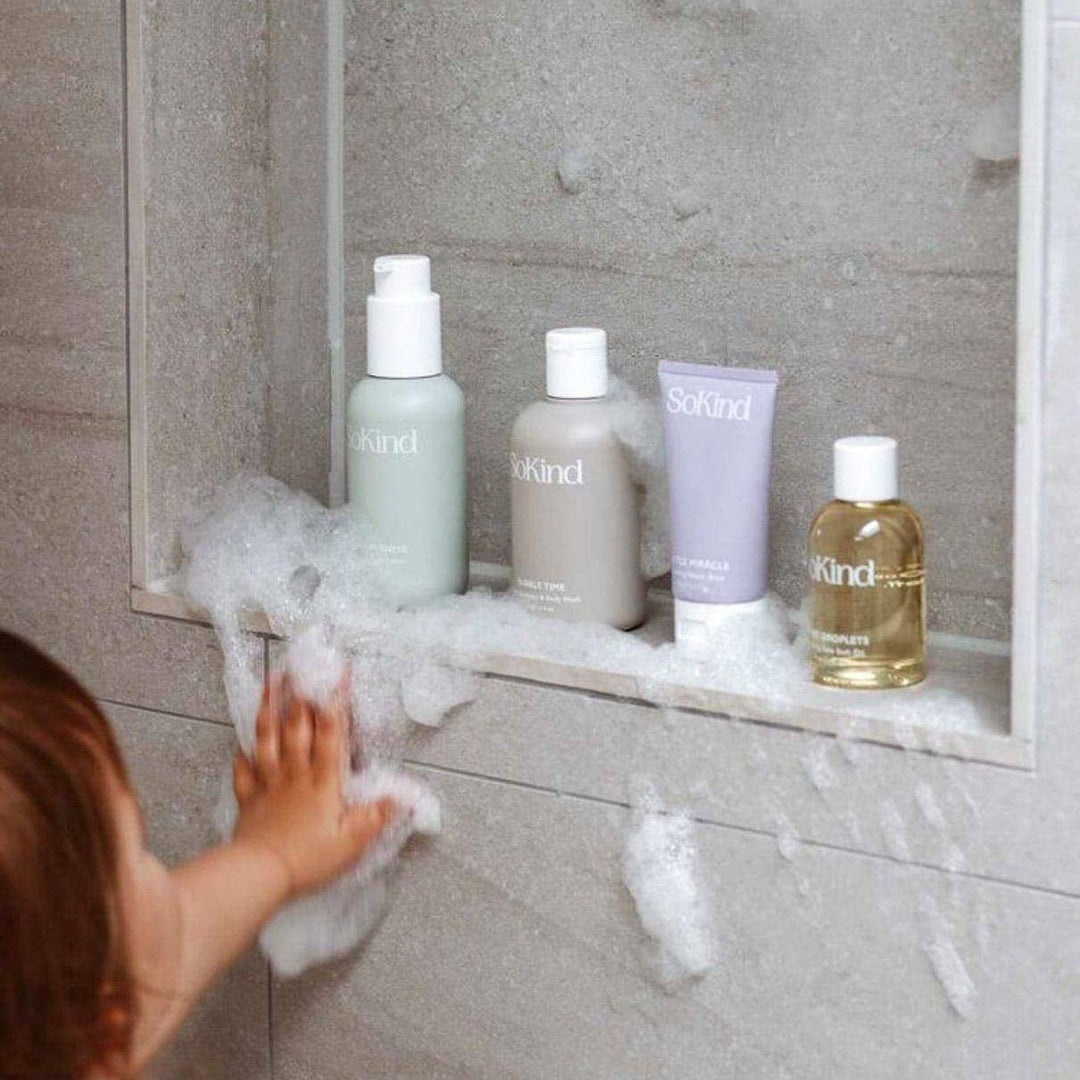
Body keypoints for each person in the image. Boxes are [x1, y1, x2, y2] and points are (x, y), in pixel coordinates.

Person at [0, 630, 396, 1078]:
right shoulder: (91, 1030)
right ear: (106, 1017)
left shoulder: (48, 1033)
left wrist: (276, 856)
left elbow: (169, 945)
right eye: (136, 851)